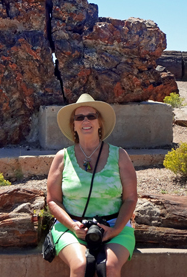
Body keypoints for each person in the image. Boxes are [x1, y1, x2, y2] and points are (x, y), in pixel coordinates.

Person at [46, 93, 137, 277]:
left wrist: (115, 230)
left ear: (99, 122)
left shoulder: (120, 156)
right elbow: (52, 200)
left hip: (114, 224)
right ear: (73, 124)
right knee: (81, 266)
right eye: (79, 117)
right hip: (72, 227)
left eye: (91, 116)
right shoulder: (62, 157)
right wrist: (73, 226)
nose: (85, 121)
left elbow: (130, 198)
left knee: (109, 267)